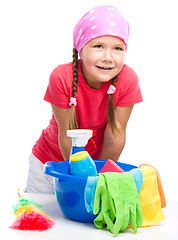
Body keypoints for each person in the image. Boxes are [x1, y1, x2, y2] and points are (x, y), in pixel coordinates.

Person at [25, 5, 143, 193]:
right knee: (45, 218)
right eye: (98, 46)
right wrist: (76, 181)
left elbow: (116, 135)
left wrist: (100, 179)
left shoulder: (127, 80)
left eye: (117, 48)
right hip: (48, 164)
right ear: (81, 49)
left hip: (92, 168)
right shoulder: (61, 77)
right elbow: (66, 134)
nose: (108, 57)